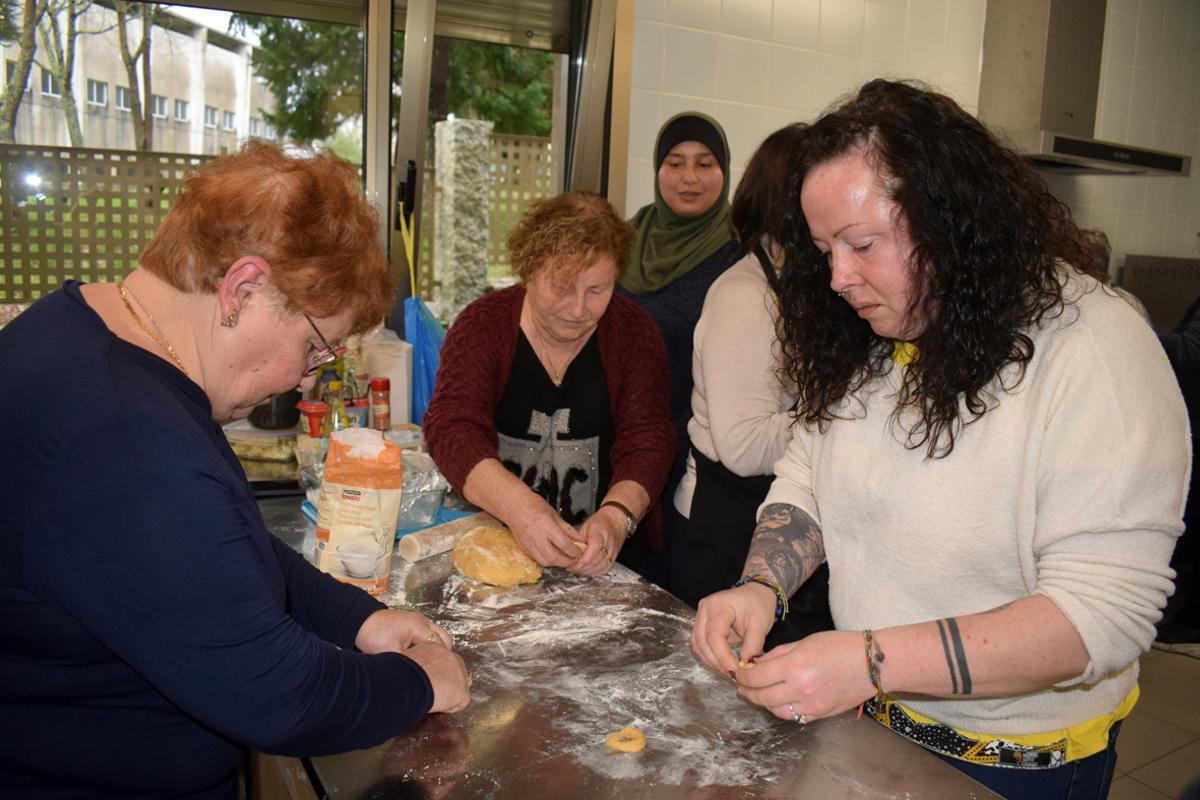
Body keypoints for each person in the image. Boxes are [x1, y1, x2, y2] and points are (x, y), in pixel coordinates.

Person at [690, 80, 1188, 799]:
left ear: (952, 219)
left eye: (862, 244)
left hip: (1020, 764)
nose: (837, 278)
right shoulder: (873, 333)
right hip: (877, 723)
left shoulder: (1096, 348)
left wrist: (868, 660)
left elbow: (1102, 615)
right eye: (825, 249)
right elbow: (808, 474)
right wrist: (761, 585)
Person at [0, 141, 471, 799]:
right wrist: (422, 683)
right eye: (313, 348)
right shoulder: (128, 442)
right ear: (243, 289)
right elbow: (280, 696)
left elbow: (219, 548)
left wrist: (353, 619)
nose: (304, 381)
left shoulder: (85, 329)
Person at [423, 191, 673, 574]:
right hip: (496, 544)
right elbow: (452, 427)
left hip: (603, 561)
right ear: (528, 271)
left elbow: (649, 441)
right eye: (561, 286)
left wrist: (617, 516)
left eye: (596, 291)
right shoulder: (482, 326)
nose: (577, 309)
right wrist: (518, 507)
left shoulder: (634, 334)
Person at [673, 122, 832, 643]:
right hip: (727, 528)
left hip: (773, 521)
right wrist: (846, 417)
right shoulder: (746, 296)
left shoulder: (805, 289)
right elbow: (742, 446)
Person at [621, 111, 740, 588]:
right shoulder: (626, 240)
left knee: (673, 590)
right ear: (657, 170)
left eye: (705, 163)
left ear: (725, 172)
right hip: (621, 444)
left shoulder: (740, 252)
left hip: (696, 456)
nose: (689, 177)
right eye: (675, 162)